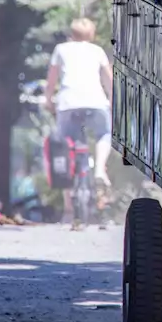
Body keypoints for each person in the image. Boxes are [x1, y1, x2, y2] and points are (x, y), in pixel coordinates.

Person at [45, 17, 113, 224]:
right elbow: (108, 78)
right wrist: (111, 99)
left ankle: (69, 206)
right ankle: (100, 167)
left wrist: (49, 100)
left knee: (65, 147)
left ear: (71, 33)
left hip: (68, 103)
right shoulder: (97, 51)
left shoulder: (61, 49)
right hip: (95, 101)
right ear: (91, 34)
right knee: (104, 133)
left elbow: (52, 78)